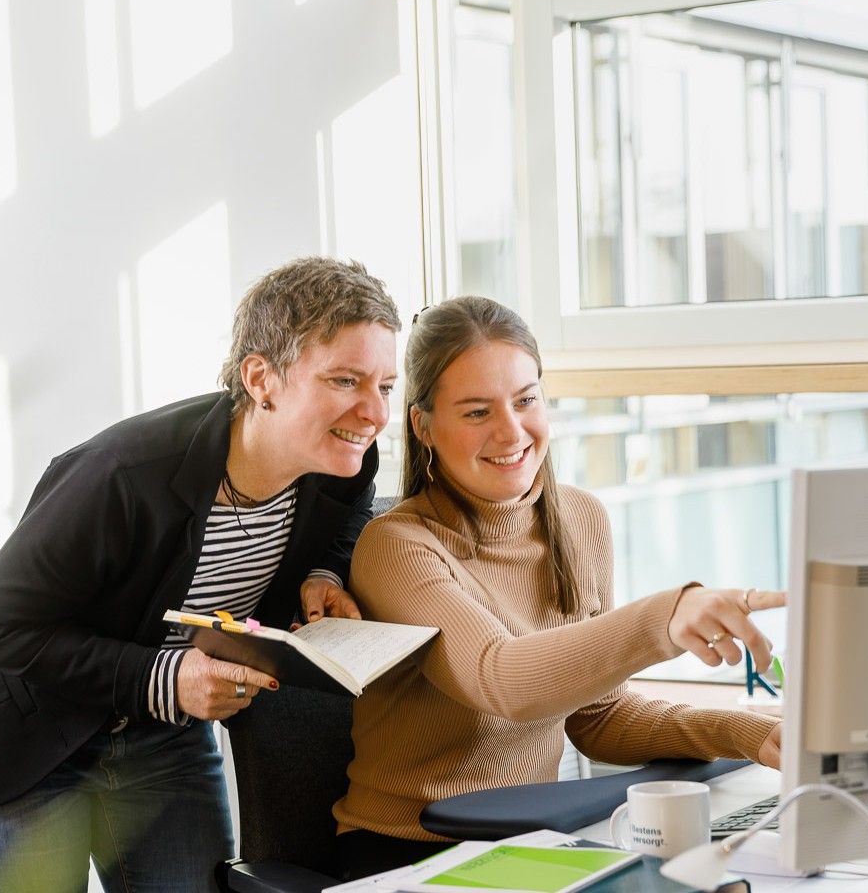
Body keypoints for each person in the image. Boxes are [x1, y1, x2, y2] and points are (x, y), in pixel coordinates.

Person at [0, 257, 402, 893]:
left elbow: (345, 520)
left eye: (387, 387)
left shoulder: (342, 462)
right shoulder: (119, 474)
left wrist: (322, 570)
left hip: (159, 739)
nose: (373, 413)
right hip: (26, 739)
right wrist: (166, 676)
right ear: (262, 378)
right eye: (346, 380)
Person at [331, 296, 785, 878]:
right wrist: (664, 620)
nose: (512, 431)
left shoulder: (582, 520)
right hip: (407, 852)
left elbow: (599, 718)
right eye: (475, 413)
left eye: (526, 400)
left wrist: (751, 733)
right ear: (424, 426)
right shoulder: (397, 545)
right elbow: (502, 679)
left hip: (529, 847)